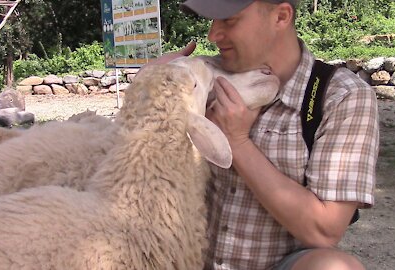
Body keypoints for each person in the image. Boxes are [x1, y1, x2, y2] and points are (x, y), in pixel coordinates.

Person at [150, 0, 379, 269]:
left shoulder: (340, 97)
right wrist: (149, 86)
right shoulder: (198, 79)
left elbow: (325, 230)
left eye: (229, 19)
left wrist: (237, 142)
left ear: (281, 16)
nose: (213, 35)